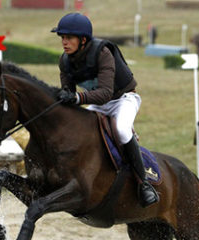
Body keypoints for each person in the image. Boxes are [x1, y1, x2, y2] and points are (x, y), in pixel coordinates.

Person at [51, 12, 159, 207]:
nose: (64, 42)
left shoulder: (102, 53)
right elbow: (68, 93)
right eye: (62, 38)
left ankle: (144, 184)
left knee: (121, 129)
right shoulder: (65, 61)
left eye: (69, 38)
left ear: (83, 40)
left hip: (123, 99)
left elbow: (106, 93)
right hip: (98, 104)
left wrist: (77, 98)